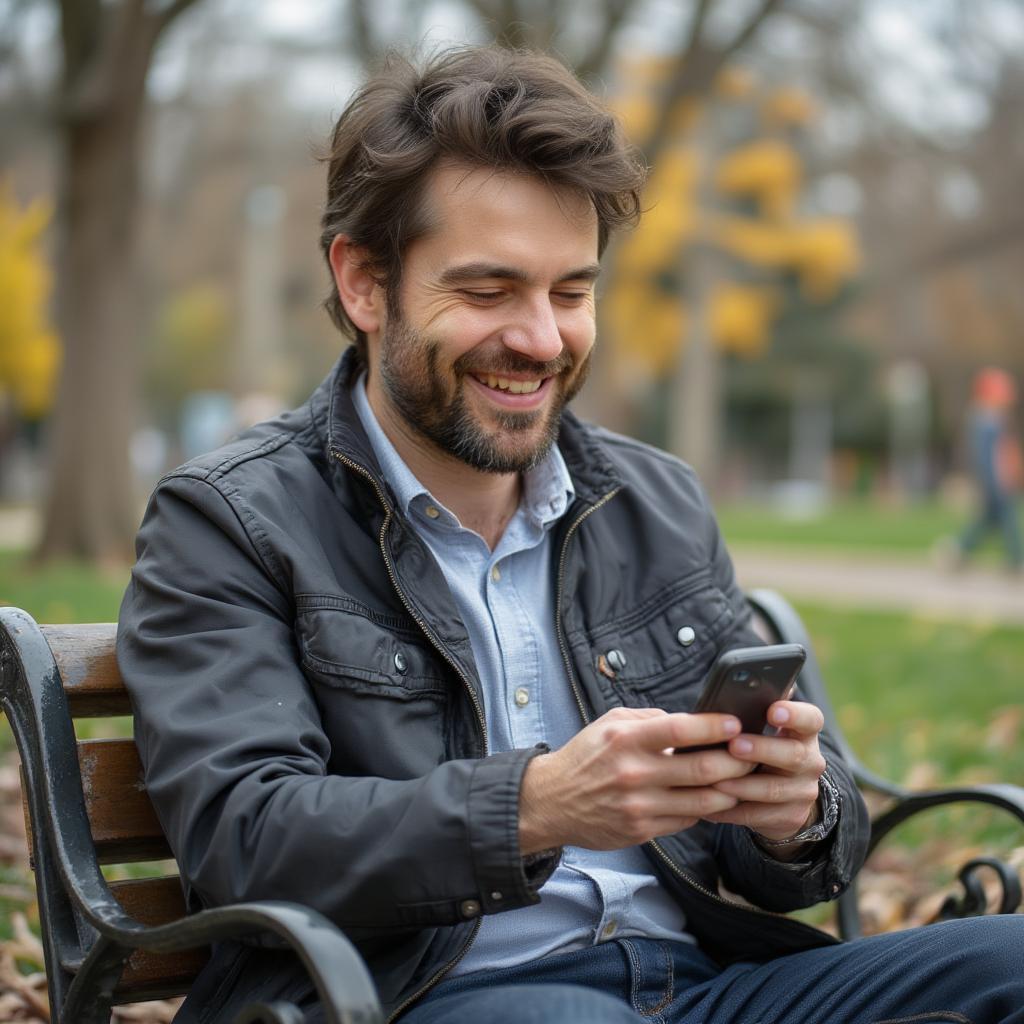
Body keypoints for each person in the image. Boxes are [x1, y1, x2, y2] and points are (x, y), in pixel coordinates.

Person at [117, 46, 1023, 1024]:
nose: (542, 339)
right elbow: (245, 835)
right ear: (364, 282)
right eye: (489, 290)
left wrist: (793, 813)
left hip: (705, 987)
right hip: (424, 999)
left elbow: (795, 869)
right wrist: (533, 804)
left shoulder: (652, 499)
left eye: (569, 291)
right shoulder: (231, 519)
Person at [956, 367, 1023, 572]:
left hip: (999, 480)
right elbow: (986, 459)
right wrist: (994, 482)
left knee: (988, 520)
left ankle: (959, 550)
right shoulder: (984, 422)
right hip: (994, 482)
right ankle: (1017, 558)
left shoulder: (994, 421)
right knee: (1006, 518)